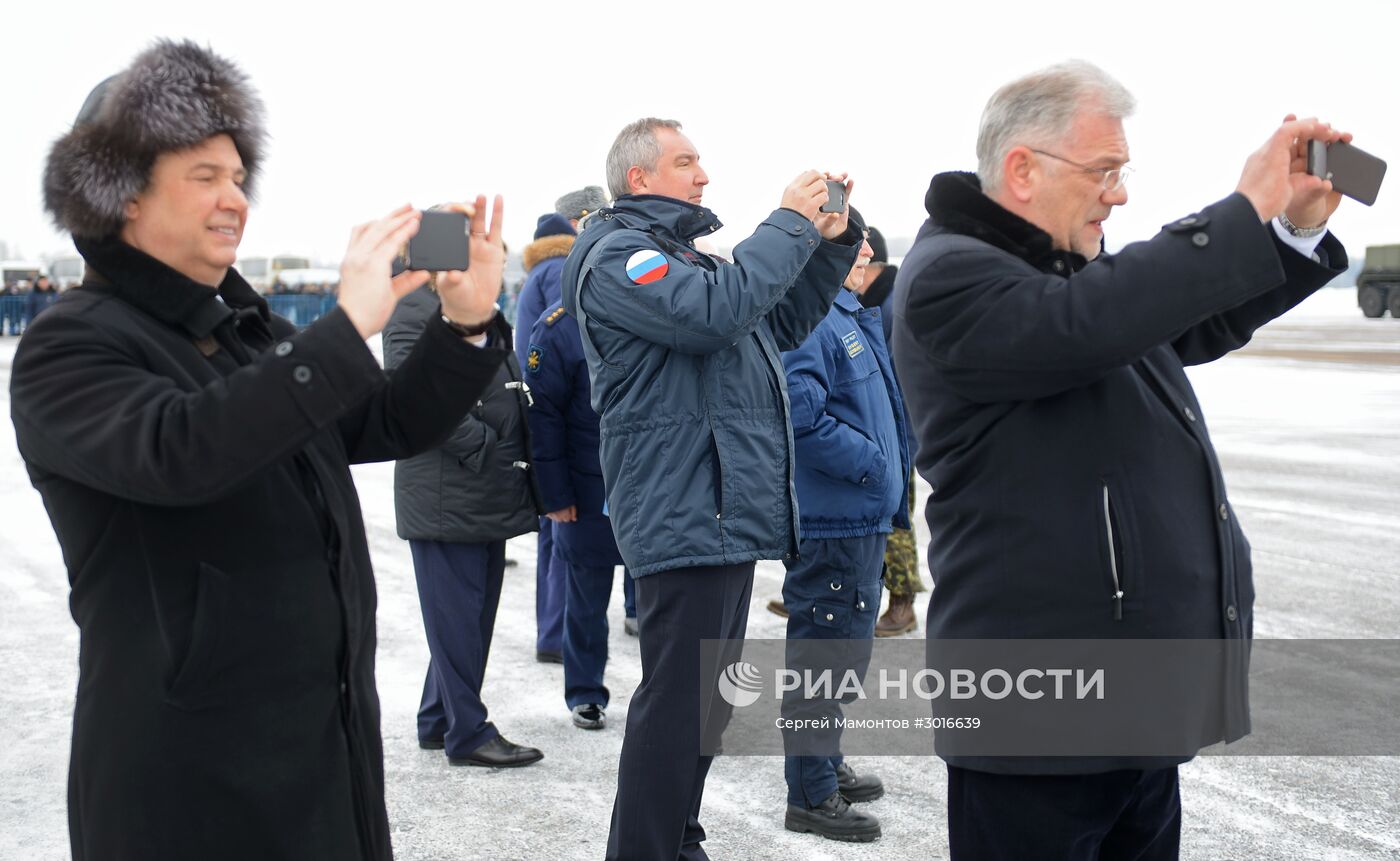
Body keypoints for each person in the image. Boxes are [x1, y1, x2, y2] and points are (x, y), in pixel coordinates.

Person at [11, 41, 507, 861]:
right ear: (120, 193)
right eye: (204, 175)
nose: (234, 198)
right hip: (187, 780)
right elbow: (182, 449)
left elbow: (385, 421)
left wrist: (468, 325)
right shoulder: (69, 346)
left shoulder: (247, 332)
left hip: (321, 746)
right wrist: (343, 331)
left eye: (239, 177)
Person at [890, 61, 1350, 860]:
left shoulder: (1061, 275)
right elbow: (1090, 322)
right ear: (1022, 169)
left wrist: (1292, 230)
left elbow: (1179, 319)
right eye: (1104, 171)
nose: (1120, 193)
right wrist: (1241, 209)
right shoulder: (951, 279)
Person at [562, 116, 863, 861]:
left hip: (719, 512)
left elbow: (774, 320)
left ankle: (677, 837)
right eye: (686, 162)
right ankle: (646, 848)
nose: (703, 176)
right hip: (683, 507)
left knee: (707, 706)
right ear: (639, 178)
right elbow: (716, 314)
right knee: (675, 707)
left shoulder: (683, 258)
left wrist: (828, 241)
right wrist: (787, 221)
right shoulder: (618, 257)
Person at [777, 207, 910, 843]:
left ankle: (824, 761)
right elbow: (800, 419)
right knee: (821, 660)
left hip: (860, 516)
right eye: (855, 250)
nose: (866, 261)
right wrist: (873, 467)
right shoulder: (813, 323)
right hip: (834, 519)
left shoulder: (849, 316)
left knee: (843, 657)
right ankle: (811, 794)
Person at [385, 252, 544, 768]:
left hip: (481, 488)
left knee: (469, 618)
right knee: (458, 620)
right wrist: (483, 448)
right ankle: (468, 733)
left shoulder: (472, 307)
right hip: (448, 489)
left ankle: (439, 719)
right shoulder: (413, 308)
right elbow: (414, 395)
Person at [525, 299, 628, 729]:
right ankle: (585, 692)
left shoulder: (660, 301)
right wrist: (554, 494)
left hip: (655, 484)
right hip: (587, 489)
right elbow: (541, 416)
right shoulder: (560, 327)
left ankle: (665, 695)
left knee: (666, 602)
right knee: (586, 598)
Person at [857, 226, 927, 636]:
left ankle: (903, 604)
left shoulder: (890, 306)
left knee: (897, 520)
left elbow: (896, 377)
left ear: (875, 265)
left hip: (900, 431)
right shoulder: (885, 298)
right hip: (892, 429)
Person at [517, 212, 580, 663]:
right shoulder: (561, 271)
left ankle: (550, 629)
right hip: (553, 405)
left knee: (549, 532)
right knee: (561, 530)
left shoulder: (535, 272)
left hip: (530, 399)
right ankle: (556, 635)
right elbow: (565, 337)